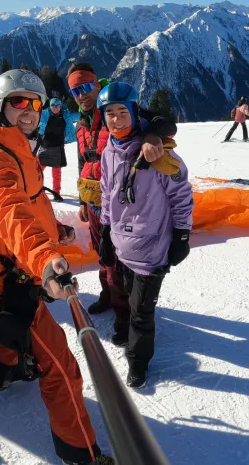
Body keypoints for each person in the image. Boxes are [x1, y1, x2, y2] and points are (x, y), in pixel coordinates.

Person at [0, 69, 112, 465]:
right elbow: (10, 216)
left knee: (15, 322)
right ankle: (81, 452)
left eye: (35, 103)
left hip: (10, 267)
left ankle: (3, 372)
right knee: (61, 366)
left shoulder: (14, 148)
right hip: (4, 276)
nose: (29, 111)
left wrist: (56, 231)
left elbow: (30, 205)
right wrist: (46, 259)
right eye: (18, 102)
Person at [97, 82, 194, 388]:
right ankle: (124, 330)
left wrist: (181, 234)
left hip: (152, 248)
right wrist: (104, 229)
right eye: (109, 113)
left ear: (135, 112)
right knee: (125, 296)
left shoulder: (157, 153)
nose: (116, 119)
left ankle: (138, 361)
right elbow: (106, 194)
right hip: (122, 244)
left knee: (142, 310)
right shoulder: (108, 153)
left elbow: (181, 195)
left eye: (122, 112)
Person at [68, 62, 176, 330]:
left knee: (118, 263)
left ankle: (123, 315)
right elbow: (83, 161)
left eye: (84, 87)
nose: (81, 95)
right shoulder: (81, 123)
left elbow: (167, 123)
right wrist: (82, 200)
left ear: (96, 84)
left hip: (121, 204)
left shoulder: (115, 108)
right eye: (74, 91)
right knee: (102, 255)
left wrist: (151, 135)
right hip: (95, 203)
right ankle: (108, 297)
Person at [36, 98, 77, 202]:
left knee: (57, 173)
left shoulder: (65, 116)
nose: (55, 108)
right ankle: (37, 190)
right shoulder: (43, 115)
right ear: (49, 106)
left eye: (57, 105)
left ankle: (56, 193)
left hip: (58, 147)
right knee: (38, 171)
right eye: (53, 105)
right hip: (45, 146)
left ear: (61, 106)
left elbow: (78, 115)